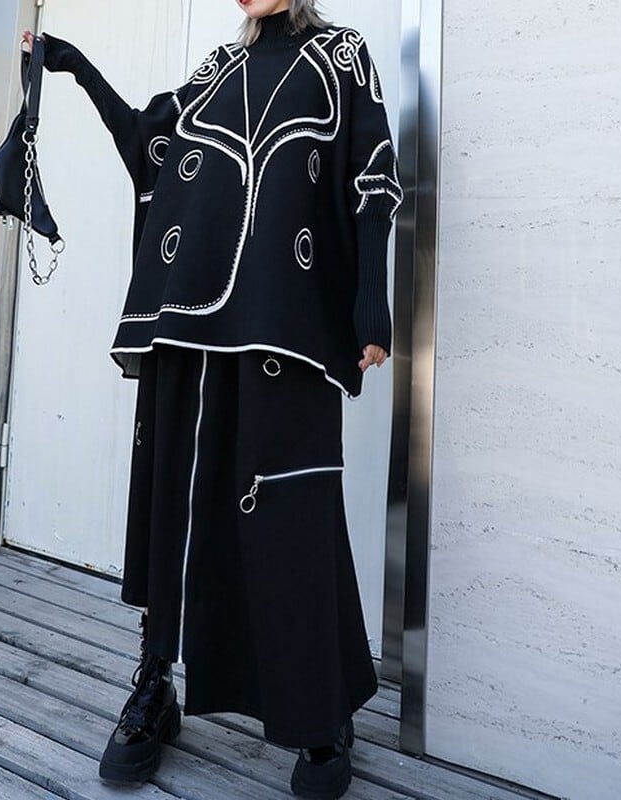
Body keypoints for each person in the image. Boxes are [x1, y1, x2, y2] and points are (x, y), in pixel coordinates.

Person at [22, 0, 402, 797]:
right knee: (174, 500)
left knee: (291, 511)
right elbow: (152, 145)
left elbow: (372, 176)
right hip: (188, 319)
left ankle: (320, 708)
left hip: (286, 325)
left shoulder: (341, 54)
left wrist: (371, 301)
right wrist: (75, 65)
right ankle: (155, 681)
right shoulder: (219, 68)